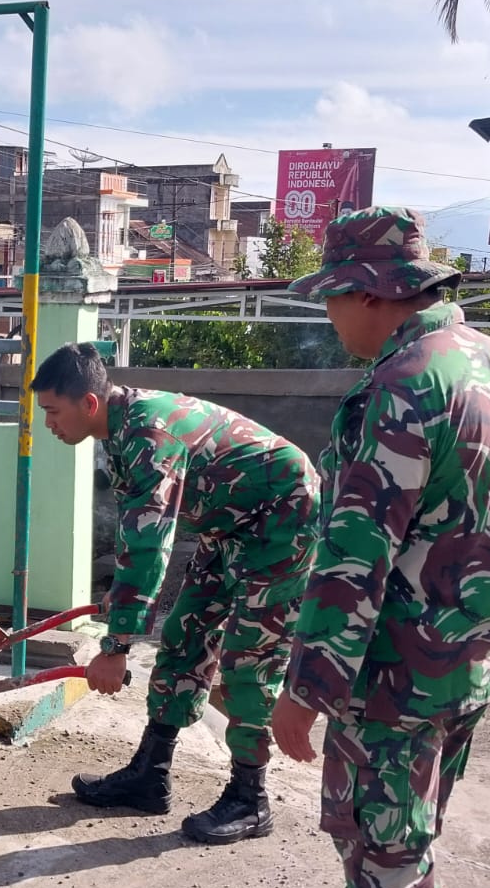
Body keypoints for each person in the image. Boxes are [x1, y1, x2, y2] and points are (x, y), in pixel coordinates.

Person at [271, 206, 490, 888]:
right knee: (396, 818)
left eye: (332, 299)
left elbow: (353, 563)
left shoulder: (400, 389)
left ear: (370, 291)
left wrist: (303, 692)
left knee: (389, 834)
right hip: (476, 651)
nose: (329, 316)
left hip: (401, 667)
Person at [33, 343, 320, 843]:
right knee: (185, 634)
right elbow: (135, 537)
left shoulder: (148, 433)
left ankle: (250, 799)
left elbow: (151, 548)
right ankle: (152, 775)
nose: (49, 424)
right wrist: (121, 601)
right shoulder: (120, 432)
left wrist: (116, 647)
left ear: (89, 404)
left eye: (53, 412)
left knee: (249, 659)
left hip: (282, 521)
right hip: (229, 526)